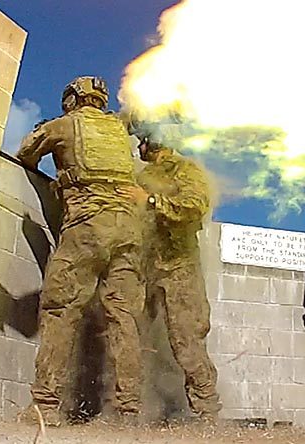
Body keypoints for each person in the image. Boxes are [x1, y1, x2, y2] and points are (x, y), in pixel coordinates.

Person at [16, 76, 144, 426]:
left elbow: (25, 153)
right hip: (130, 230)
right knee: (124, 318)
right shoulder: (118, 128)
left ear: (72, 99)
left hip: (88, 225)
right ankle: (128, 411)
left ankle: (44, 407)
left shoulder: (64, 124)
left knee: (61, 310)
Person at [117, 137, 221, 420]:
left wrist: (151, 201)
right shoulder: (143, 176)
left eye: (142, 141)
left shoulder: (185, 169)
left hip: (178, 266)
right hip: (144, 266)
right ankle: (127, 410)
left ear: (153, 141)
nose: (138, 147)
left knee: (186, 340)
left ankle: (207, 413)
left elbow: (194, 206)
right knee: (129, 335)